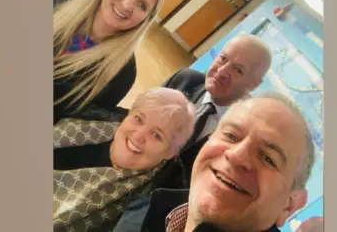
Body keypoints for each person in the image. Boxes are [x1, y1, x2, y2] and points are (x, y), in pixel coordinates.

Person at [133, 93, 316, 232]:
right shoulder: (143, 205)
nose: (236, 156)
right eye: (230, 135)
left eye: (268, 158)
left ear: (289, 205)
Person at [53, 87, 197, 231]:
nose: (139, 135)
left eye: (156, 135)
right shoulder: (82, 119)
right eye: (138, 119)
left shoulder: (147, 207)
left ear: (171, 152)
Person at [155, 33, 273, 189]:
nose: (222, 71)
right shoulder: (184, 80)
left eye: (238, 70)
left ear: (253, 84)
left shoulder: (244, 137)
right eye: (223, 58)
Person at [53, 0, 167, 124]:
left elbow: (71, 124)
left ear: (146, 19)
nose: (127, 5)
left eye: (142, 5)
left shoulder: (121, 74)